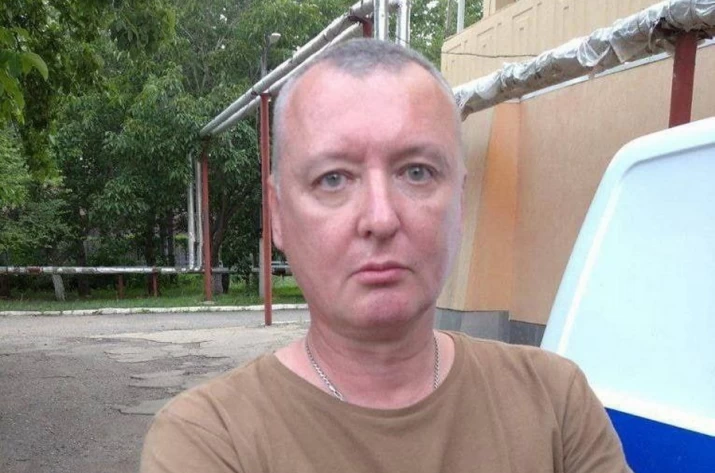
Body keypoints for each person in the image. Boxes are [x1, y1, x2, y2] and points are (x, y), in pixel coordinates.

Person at [140, 39, 632, 473]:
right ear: (278, 215)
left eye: (416, 172)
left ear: (460, 204)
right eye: (333, 178)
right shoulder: (211, 438)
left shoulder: (552, 403)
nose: (380, 218)